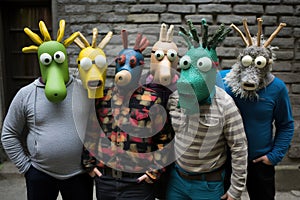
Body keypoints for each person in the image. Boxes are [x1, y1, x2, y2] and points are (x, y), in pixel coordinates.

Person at [1, 20, 94, 200]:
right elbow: (8, 133)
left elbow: (97, 126)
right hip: (40, 174)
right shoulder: (25, 94)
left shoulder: (84, 90)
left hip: (80, 174)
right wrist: (26, 168)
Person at [166, 19, 248, 200]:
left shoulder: (225, 105)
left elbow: (239, 148)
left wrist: (236, 190)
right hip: (177, 180)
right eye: (186, 65)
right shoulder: (174, 99)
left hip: (208, 185)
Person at [82, 30, 166, 200]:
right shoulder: (103, 98)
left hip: (138, 182)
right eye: (120, 62)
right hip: (105, 180)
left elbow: (163, 138)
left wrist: (154, 171)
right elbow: (91, 132)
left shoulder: (152, 99)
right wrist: (89, 164)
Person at [220, 18, 294, 200]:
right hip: (226, 160)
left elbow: (286, 124)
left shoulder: (277, 88)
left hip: (259, 161)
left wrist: (273, 156)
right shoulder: (224, 81)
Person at [141, 23, 179, 200]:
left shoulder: (183, 87)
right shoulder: (141, 87)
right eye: (159, 56)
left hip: (176, 155)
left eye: (170, 56)